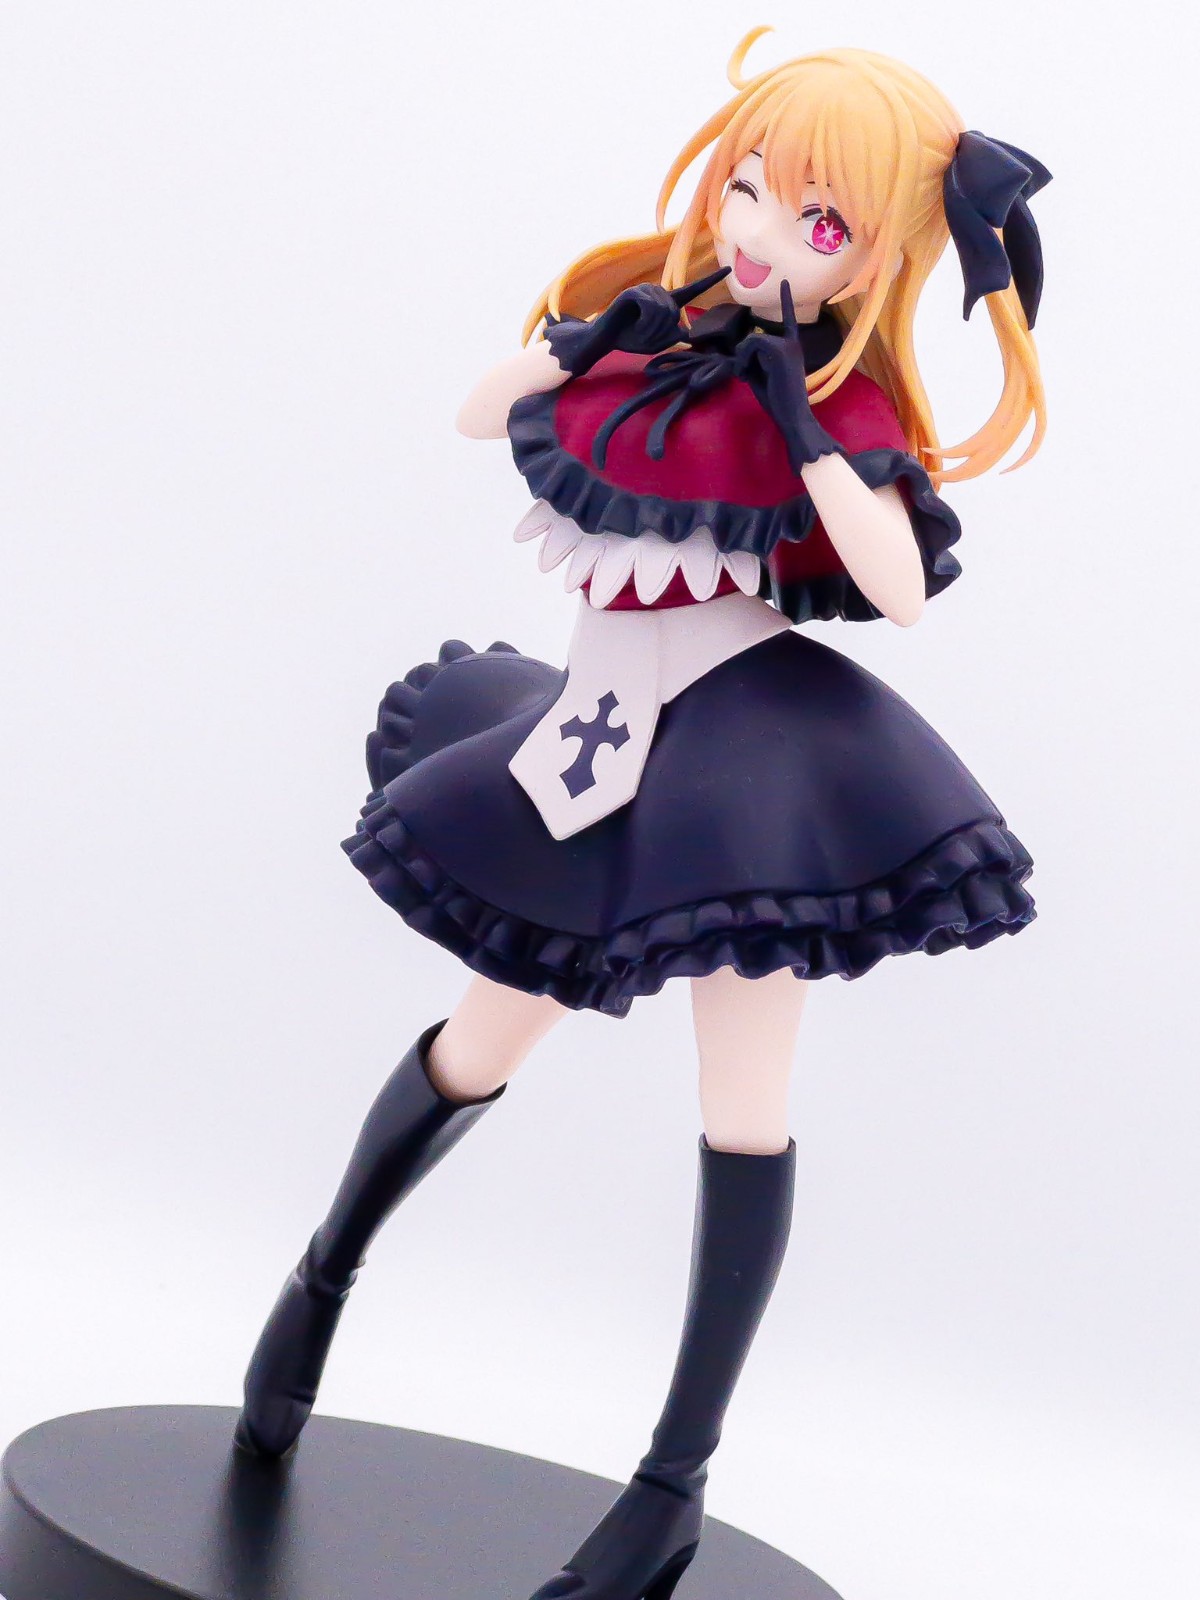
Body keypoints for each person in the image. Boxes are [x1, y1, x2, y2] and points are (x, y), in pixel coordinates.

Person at [234, 31, 1049, 1600]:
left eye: (819, 219)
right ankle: (320, 1282)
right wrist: (580, 343)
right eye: (751, 186)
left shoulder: (839, 400)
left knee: (742, 1102)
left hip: (752, 779)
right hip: (590, 743)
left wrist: (809, 435)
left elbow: (897, 587)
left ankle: (674, 1482)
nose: (763, 230)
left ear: (877, 255)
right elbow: (480, 414)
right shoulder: (666, 335)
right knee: (481, 1041)